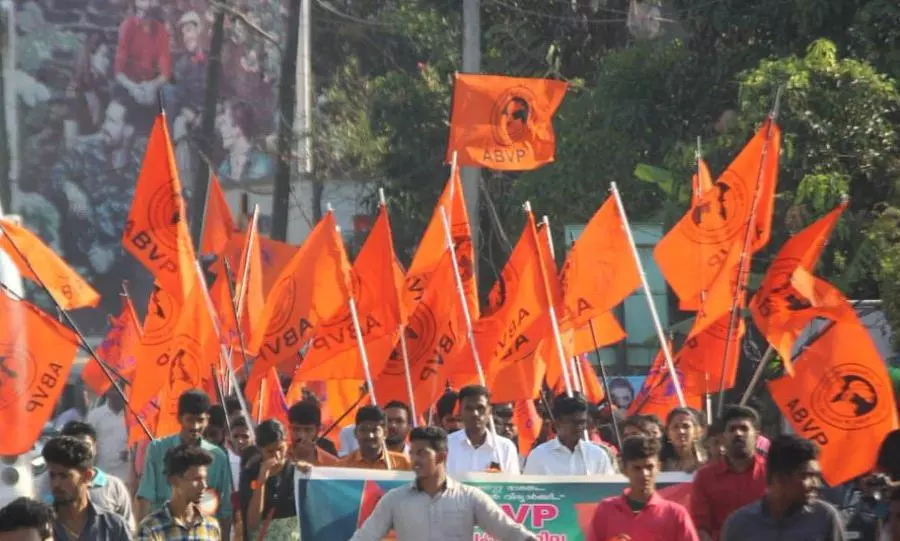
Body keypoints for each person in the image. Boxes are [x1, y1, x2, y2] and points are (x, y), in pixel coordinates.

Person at [350, 426, 537, 541]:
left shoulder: (470, 498)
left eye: (422, 453)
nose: (414, 459)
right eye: (412, 453)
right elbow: (365, 537)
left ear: (442, 456)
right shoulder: (394, 500)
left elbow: (508, 531)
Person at [136, 390, 232, 537]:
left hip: (202, 532)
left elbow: (225, 509)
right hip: (162, 530)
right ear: (179, 418)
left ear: (207, 420)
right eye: (190, 420)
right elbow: (145, 497)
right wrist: (143, 532)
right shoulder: (158, 449)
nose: (195, 426)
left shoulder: (218, 457)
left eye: (200, 420)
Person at [720, 435, 845, 540]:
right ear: (780, 478)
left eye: (817, 476)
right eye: (807, 475)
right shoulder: (740, 524)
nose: (816, 484)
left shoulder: (825, 518)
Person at [586, 435, 699, 541]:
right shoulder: (606, 510)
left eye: (649, 467)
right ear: (624, 469)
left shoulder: (675, 514)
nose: (644, 474)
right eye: (637, 468)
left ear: (658, 467)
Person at [691, 405, 767, 541]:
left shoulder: (771, 474)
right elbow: (700, 527)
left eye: (744, 428)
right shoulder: (705, 477)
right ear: (724, 437)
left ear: (756, 435)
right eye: (732, 429)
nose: (738, 434)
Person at [42, 421, 136, 530]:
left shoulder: (114, 487)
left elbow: (129, 529)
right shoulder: (42, 487)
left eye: (64, 476)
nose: (56, 483)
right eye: (53, 476)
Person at [136, 445, 222, 540]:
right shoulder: (151, 528)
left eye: (204, 478)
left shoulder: (211, 526)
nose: (204, 485)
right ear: (175, 481)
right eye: (196, 479)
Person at [524, 393, 615, 475]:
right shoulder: (538, 456)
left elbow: (608, 491)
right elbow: (530, 491)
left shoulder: (597, 455)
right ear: (557, 423)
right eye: (574, 423)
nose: (580, 427)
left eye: (582, 422)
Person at [239, 420, 299, 540]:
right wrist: (261, 480)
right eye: (270, 451)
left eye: (280, 449)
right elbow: (252, 524)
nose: (277, 456)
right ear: (260, 449)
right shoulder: (250, 473)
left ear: (287, 444)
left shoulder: (296, 472)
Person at [447, 385, 520, 474]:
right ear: (460, 411)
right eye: (469, 408)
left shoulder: (505, 447)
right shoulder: (447, 445)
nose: (475, 414)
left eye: (480, 408)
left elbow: (512, 486)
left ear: (489, 411)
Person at [338, 406, 412, 470]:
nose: (370, 435)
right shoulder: (342, 466)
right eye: (363, 430)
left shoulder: (404, 464)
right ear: (355, 433)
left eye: (375, 430)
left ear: (385, 433)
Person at [85, 388, 130, 481]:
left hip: (126, 476)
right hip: (101, 474)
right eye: (114, 389)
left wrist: (130, 453)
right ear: (107, 392)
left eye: (121, 389)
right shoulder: (95, 415)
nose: (118, 393)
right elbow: (87, 444)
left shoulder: (135, 416)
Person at [286, 400, 339, 466]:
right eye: (296, 429)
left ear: (317, 430)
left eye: (307, 430)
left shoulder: (332, 463)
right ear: (289, 428)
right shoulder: (277, 458)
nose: (301, 436)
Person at [661, 408, 707, 473]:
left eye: (686, 426)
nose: (681, 431)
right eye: (676, 427)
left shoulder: (705, 462)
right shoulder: (660, 465)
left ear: (696, 431)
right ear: (667, 433)